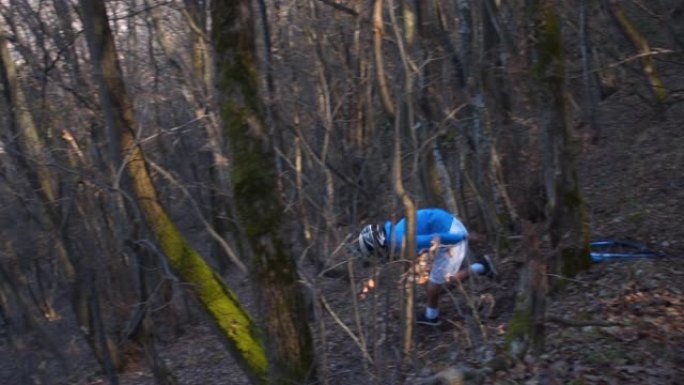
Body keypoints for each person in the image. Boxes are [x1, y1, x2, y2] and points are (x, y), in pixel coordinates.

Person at [358, 208, 497, 326]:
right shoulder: (396, 232)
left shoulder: (401, 239)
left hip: (451, 235)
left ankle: (432, 317)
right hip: (450, 225)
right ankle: (481, 267)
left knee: (437, 287)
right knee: (435, 285)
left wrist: (461, 237)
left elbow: (432, 238)